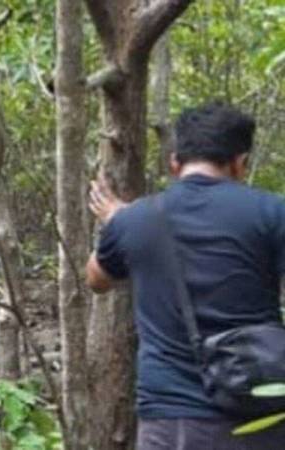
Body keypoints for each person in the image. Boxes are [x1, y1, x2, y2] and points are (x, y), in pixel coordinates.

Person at [85, 103, 285, 450]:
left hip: (169, 419)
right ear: (241, 162)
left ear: (174, 162)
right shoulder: (273, 213)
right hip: (258, 412)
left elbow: (96, 279)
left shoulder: (134, 220)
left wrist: (120, 220)